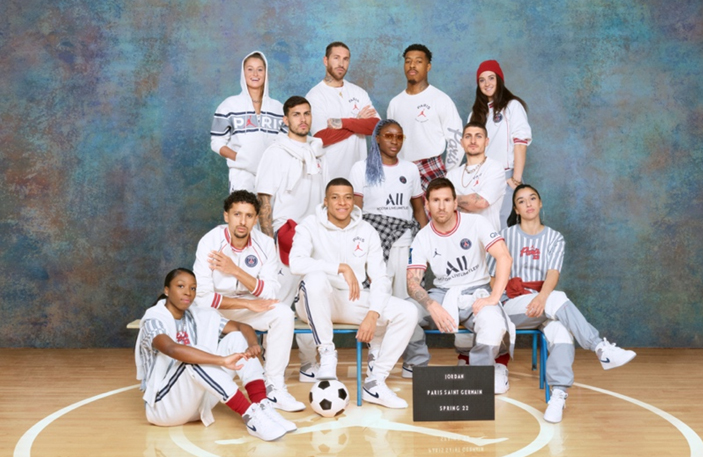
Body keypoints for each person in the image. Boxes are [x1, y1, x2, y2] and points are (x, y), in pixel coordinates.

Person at [489, 184, 636, 423]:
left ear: (541, 203)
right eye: (522, 201)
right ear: (515, 209)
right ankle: (600, 348)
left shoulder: (555, 237)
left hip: (543, 302)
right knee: (558, 297)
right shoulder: (505, 236)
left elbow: (553, 273)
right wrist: (502, 298)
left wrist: (541, 297)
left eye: (533, 198)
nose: (529, 204)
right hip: (513, 304)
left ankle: (558, 395)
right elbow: (492, 275)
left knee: (562, 331)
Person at [289, 178, 418, 408]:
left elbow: (380, 278)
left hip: (350, 299)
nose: (342, 203)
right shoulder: (309, 224)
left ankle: (375, 382)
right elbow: (295, 263)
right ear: (326, 201)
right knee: (315, 280)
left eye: (348, 197)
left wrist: (373, 314)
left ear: (354, 201)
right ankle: (327, 353)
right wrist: (339, 267)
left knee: (407, 311)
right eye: (335, 197)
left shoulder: (366, 230)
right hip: (315, 301)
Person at [135, 268, 296, 442]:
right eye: (180, 286)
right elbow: (172, 349)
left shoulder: (197, 315)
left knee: (235, 338)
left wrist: (252, 345)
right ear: (167, 290)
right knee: (191, 359)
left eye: (193, 288)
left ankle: (263, 406)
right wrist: (221, 360)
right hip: (165, 407)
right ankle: (251, 416)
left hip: (198, 403)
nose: (188, 292)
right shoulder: (154, 319)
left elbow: (242, 327)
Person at [192, 190, 304, 412]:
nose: (242, 222)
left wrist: (235, 270)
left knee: (283, 313)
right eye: (237, 214)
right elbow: (202, 298)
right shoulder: (210, 242)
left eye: (249, 216)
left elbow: (271, 291)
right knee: (206, 312)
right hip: (215, 312)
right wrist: (246, 303)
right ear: (226, 216)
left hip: (249, 308)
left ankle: (274, 388)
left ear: (255, 218)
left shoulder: (264, 244)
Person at [403, 178, 515, 394]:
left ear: (455, 203)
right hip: (442, 294)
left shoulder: (476, 223)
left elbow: (504, 257)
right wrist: (431, 305)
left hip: (477, 291)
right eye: (435, 200)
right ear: (427, 204)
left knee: (492, 322)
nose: (441, 206)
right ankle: (415, 363)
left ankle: (481, 373)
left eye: (446, 200)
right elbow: (412, 283)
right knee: (406, 310)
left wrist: (493, 298)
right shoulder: (422, 237)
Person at [255, 95, 326, 382]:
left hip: (314, 234)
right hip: (285, 234)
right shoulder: (276, 153)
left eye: (307, 114)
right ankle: (273, 368)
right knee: (281, 304)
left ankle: (309, 363)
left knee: (312, 301)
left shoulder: (318, 153)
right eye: (296, 114)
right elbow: (264, 200)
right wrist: (270, 244)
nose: (303, 119)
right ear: (285, 119)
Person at [349, 119, 428, 298]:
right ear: (377, 138)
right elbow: (356, 212)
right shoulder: (361, 168)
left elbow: (418, 210)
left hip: (405, 240)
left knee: (407, 296)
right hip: (375, 240)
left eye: (399, 137)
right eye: (389, 136)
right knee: (377, 295)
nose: (395, 141)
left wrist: (425, 243)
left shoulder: (410, 169)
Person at [387, 44, 463, 189]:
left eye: (418, 61)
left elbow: (456, 139)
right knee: (403, 212)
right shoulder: (395, 103)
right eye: (408, 61)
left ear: (428, 67)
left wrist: (449, 175)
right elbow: (390, 143)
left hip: (432, 169)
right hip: (402, 170)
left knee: (437, 212)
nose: (412, 65)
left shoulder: (441, 99)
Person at [468, 60, 531, 229]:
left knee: (503, 229)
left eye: (491, 78)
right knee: (481, 228)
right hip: (480, 178)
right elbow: (470, 149)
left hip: (506, 177)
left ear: (499, 80)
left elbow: (520, 144)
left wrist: (516, 180)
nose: (487, 83)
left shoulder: (512, 106)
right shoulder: (475, 113)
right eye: (482, 80)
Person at [210, 51, 285, 193]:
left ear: (266, 73)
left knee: (270, 215)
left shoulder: (278, 108)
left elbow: (287, 142)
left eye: (260, 69)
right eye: (250, 69)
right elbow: (216, 142)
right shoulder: (229, 105)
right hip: (242, 175)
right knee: (245, 214)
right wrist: (239, 157)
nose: (255, 74)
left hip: (273, 176)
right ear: (243, 73)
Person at [306, 42, 380, 180]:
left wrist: (343, 123)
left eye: (345, 59)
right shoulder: (314, 95)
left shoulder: (359, 93)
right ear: (325, 60)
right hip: (330, 174)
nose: (341, 63)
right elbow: (322, 137)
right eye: (336, 58)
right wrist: (358, 123)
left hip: (359, 173)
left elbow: (377, 127)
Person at [446, 121, 506, 231]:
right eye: (468, 136)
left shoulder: (495, 168)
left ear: (486, 141)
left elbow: (480, 202)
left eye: (478, 136)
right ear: (462, 142)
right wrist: (464, 201)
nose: (473, 141)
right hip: (457, 238)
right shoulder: (451, 175)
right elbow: (445, 210)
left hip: (487, 240)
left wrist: (450, 200)